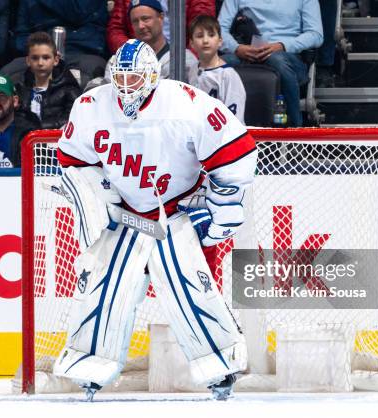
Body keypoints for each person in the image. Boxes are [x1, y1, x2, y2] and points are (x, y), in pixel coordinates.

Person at [52, 39, 255, 401]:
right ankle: (89, 366)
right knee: (102, 289)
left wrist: (222, 213)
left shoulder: (186, 103)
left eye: (136, 78)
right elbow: (72, 161)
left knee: (190, 289)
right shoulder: (90, 107)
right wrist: (104, 200)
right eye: (122, 78)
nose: (128, 86)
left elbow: (235, 153)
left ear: (153, 76)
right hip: (126, 213)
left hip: (178, 211)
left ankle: (220, 366)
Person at [218, 0, 323, 127]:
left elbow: (316, 34)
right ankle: (218, 127)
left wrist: (283, 46)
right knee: (220, 65)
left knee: (276, 60)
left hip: (288, 53)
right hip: (246, 50)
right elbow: (219, 29)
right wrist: (236, 48)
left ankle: (295, 129)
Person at [86, 0, 198, 90]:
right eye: (135, 21)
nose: (140, 26)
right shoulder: (118, 60)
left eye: (145, 19)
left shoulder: (184, 59)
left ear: (161, 17)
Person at [2, 0, 109, 89]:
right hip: (38, 51)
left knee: (94, 71)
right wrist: (38, 46)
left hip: (78, 51)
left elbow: (81, 16)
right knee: (4, 76)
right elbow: (20, 36)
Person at [15, 32, 82, 129]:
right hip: (25, 140)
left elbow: (74, 120)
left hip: (58, 140)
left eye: (46, 57)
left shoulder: (69, 88)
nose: (40, 63)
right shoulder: (20, 88)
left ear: (56, 60)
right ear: (28, 61)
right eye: (35, 58)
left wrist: (38, 127)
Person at [189, 14, 245, 123]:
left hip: (225, 135)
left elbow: (235, 118)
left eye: (211, 35)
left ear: (220, 41)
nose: (205, 40)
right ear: (192, 43)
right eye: (200, 36)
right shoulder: (193, 69)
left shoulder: (228, 75)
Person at [106, 0, 215, 54]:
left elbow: (202, 25)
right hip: (139, 55)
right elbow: (116, 29)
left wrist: (189, 57)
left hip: (184, 54)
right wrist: (132, 53)